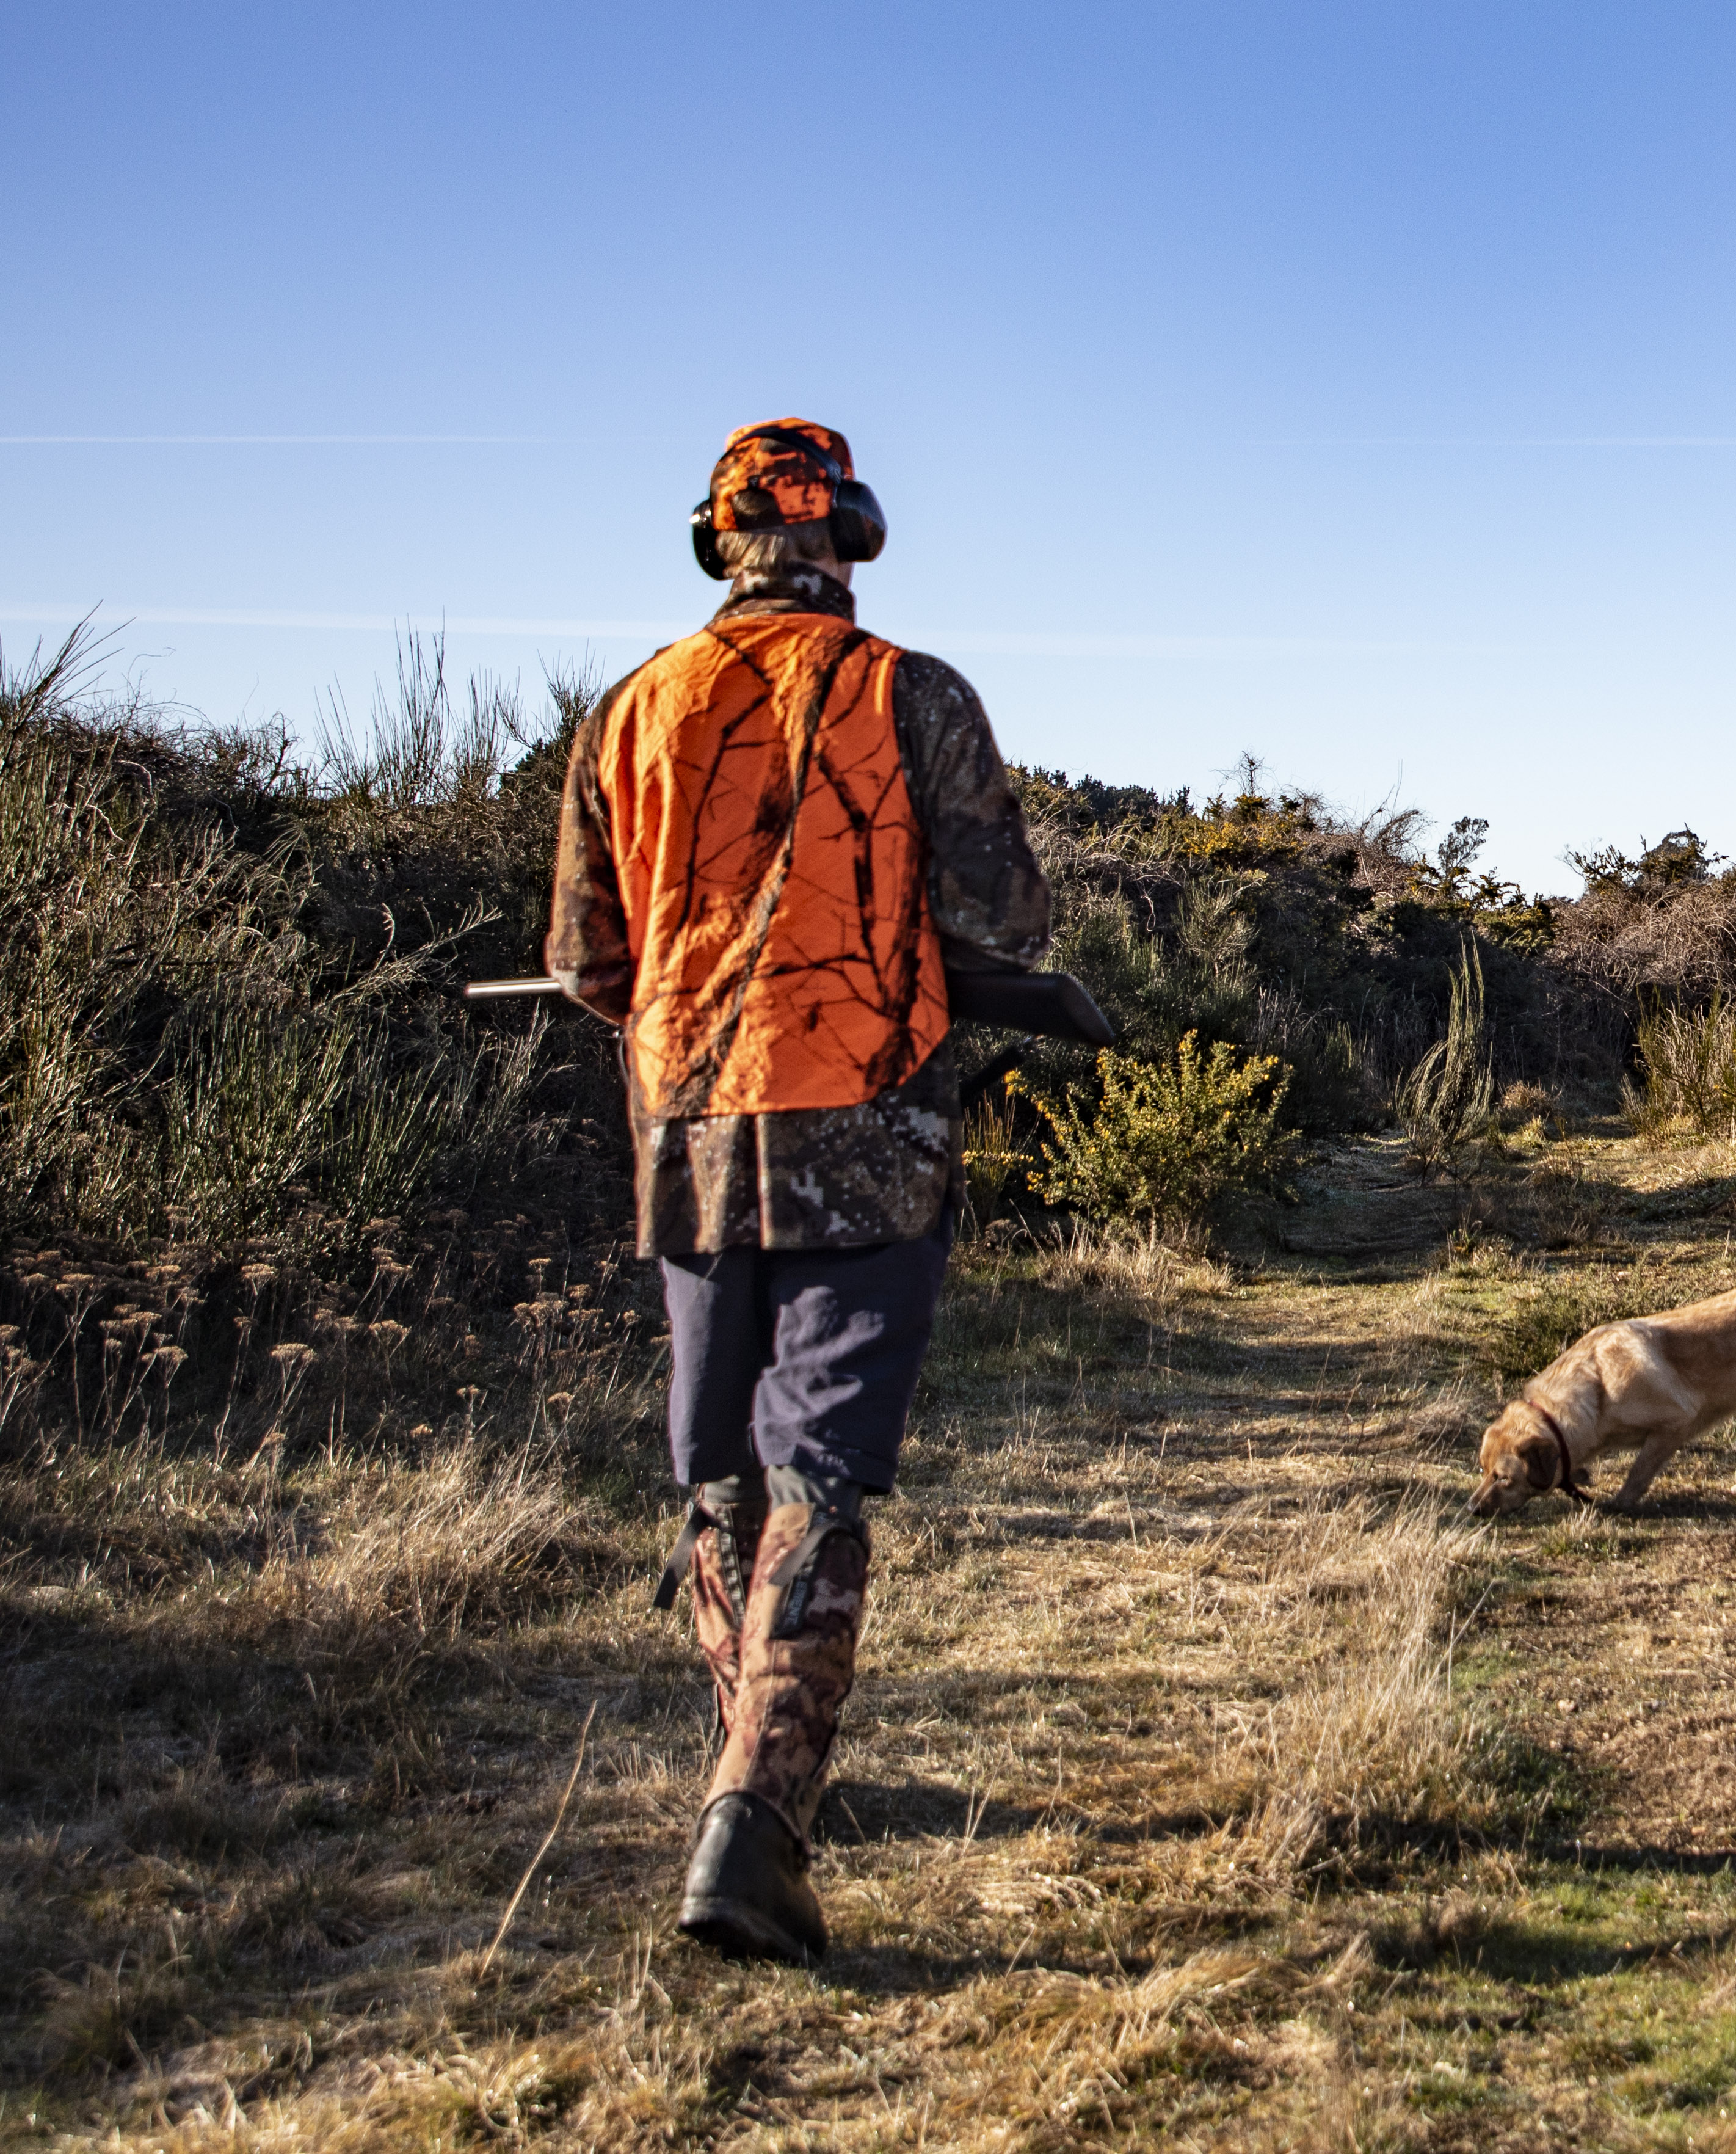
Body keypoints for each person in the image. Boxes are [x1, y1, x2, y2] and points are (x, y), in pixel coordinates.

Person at [548, 418, 1051, 1960]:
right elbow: (1003, 922)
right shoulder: (916, 691)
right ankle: (755, 1823)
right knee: (820, 1473)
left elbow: (584, 965)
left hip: (687, 1131)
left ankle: (749, 1772)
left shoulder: (629, 709)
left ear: (717, 541)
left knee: (720, 1476)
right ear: (853, 538)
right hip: (866, 1125)